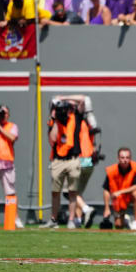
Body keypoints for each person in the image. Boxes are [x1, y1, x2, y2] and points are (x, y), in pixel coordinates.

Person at [43, 95, 86, 229]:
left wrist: (64, 98)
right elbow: (53, 140)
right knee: (55, 191)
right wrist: (55, 119)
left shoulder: (76, 116)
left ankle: (71, 220)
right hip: (58, 160)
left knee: (72, 192)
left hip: (73, 159)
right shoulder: (54, 121)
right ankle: (53, 219)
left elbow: (83, 99)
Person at [102, 147, 136, 230]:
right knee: (118, 226)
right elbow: (106, 189)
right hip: (118, 199)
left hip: (129, 195)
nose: (125, 160)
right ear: (118, 158)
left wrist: (121, 192)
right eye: (122, 157)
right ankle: (125, 220)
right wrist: (106, 208)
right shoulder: (111, 170)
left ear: (130, 158)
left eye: (127, 158)